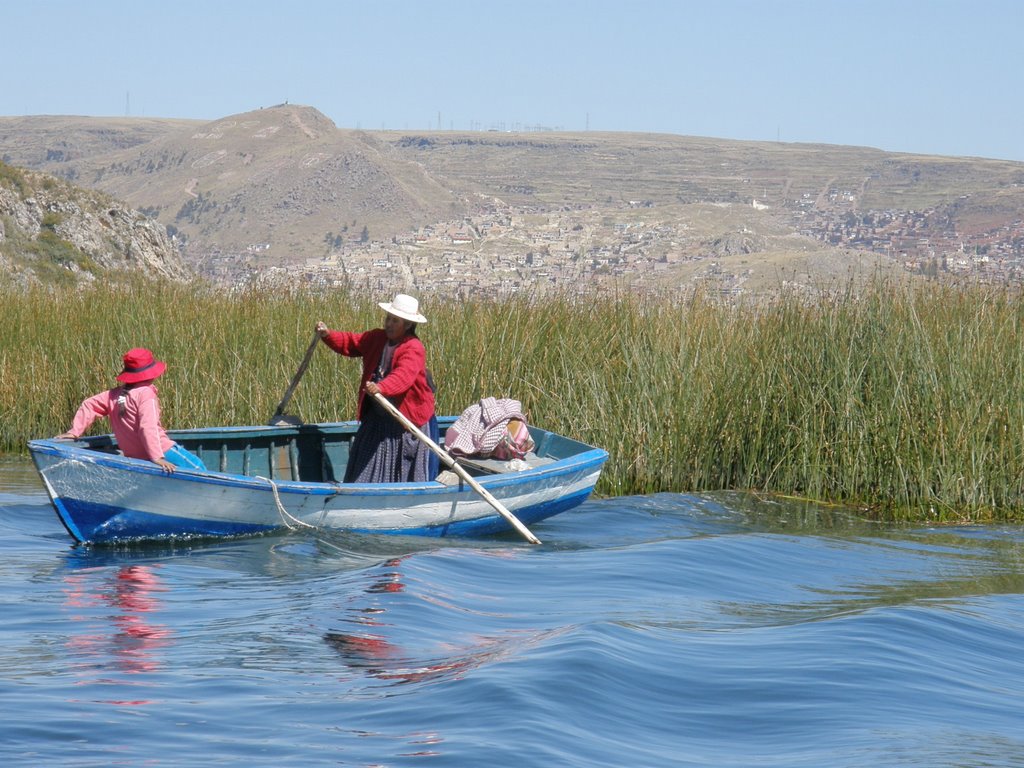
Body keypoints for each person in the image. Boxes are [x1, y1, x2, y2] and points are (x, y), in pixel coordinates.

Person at [315, 293, 437, 483]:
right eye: (388, 318)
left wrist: (381, 387)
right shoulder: (377, 338)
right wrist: (328, 335)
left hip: (404, 420)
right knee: (365, 460)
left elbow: (404, 375)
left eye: (395, 321)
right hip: (378, 415)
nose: (388, 324)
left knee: (401, 471)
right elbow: (351, 342)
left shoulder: (413, 348)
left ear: (407, 325)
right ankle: (361, 493)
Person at [55, 348, 205, 474]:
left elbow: (88, 404)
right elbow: (148, 426)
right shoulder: (146, 394)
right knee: (199, 467)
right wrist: (157, 457)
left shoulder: (113, 395)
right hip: (162, 450)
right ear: (151, 373)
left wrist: (75, 431)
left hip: (135, 456)